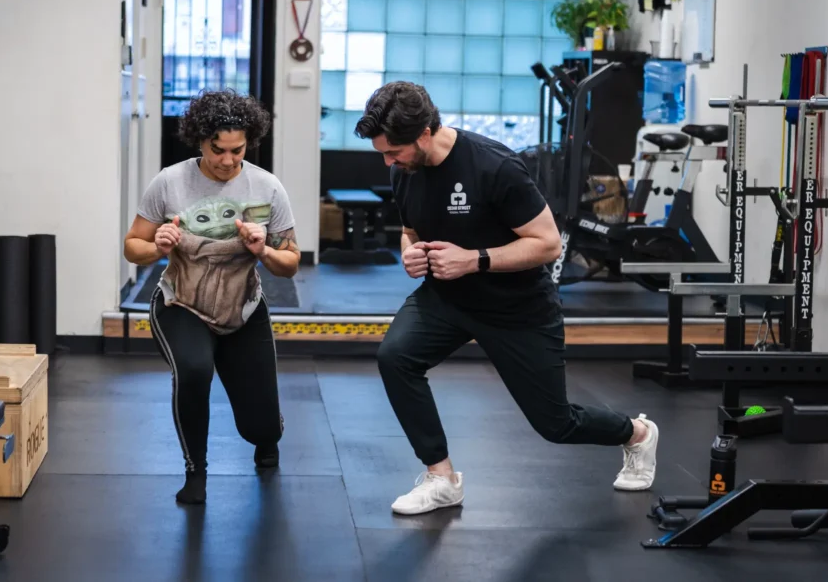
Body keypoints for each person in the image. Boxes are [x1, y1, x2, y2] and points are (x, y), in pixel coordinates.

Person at [352, 81, 660, 516]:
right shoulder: (404, 170)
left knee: (556, 424)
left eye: (393, 152)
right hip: (447, 299)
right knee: (395, 357)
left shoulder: (493, 166)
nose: (388, 162)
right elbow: (410, 230)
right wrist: (410, 252)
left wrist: (474, 259)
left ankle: (638, 433)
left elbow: (548, 244)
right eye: (382, 153)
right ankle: (441, 478)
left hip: (517, 308)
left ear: (424, 133)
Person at [123, 88, 300, 505]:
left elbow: (290, 262)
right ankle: (195, 471)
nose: (227, 160)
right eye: (218, 150)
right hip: (181, 303)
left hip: (243, 310)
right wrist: (158, 247)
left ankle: (267, 434)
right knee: (194, 370)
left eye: (237, 150)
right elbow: (133, 245)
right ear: (199, 141)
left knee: (259, 426)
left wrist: (264, 250)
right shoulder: (170, 182)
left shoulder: (267, 187)